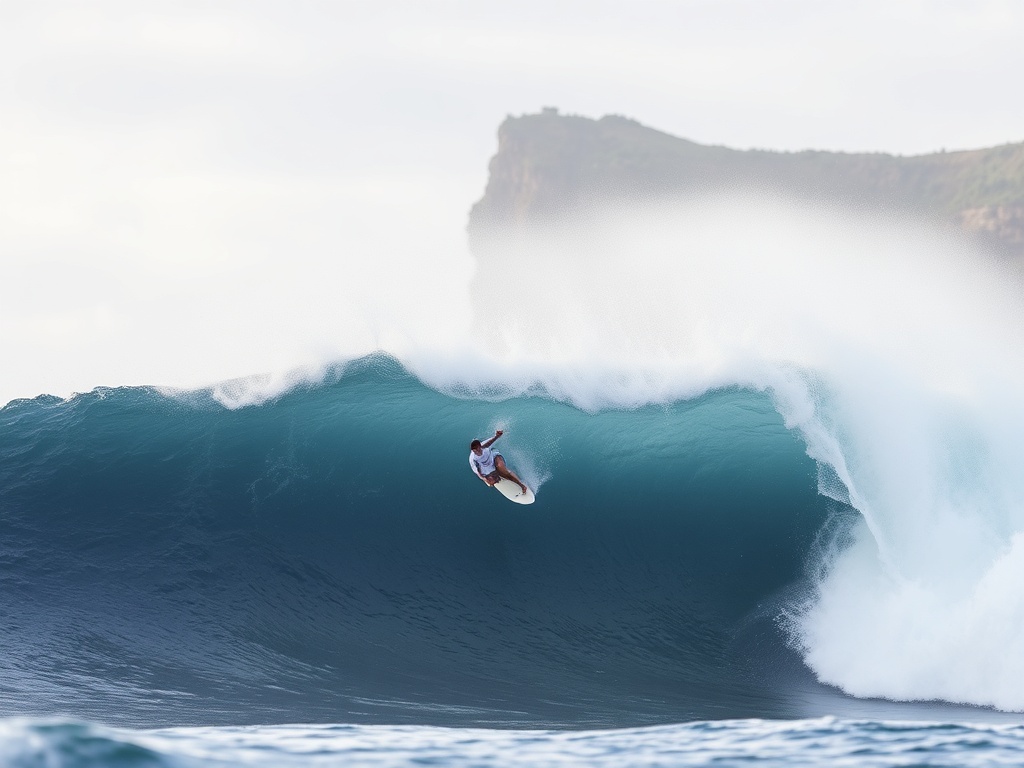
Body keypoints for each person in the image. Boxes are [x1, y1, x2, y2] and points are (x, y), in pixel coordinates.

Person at [469, 430, 528, 494]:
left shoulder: (485, 446)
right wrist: (484, 479)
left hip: (494, 458)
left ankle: (522, 485)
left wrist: (498, 435)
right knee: (492, 481)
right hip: (487, 468)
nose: (477, 452)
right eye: (474, 451)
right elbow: (477, 473)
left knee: (503, 469)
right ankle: (496, 475)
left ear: (480, 447)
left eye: (478, 449)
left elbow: (493, 439)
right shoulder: (472, 459)